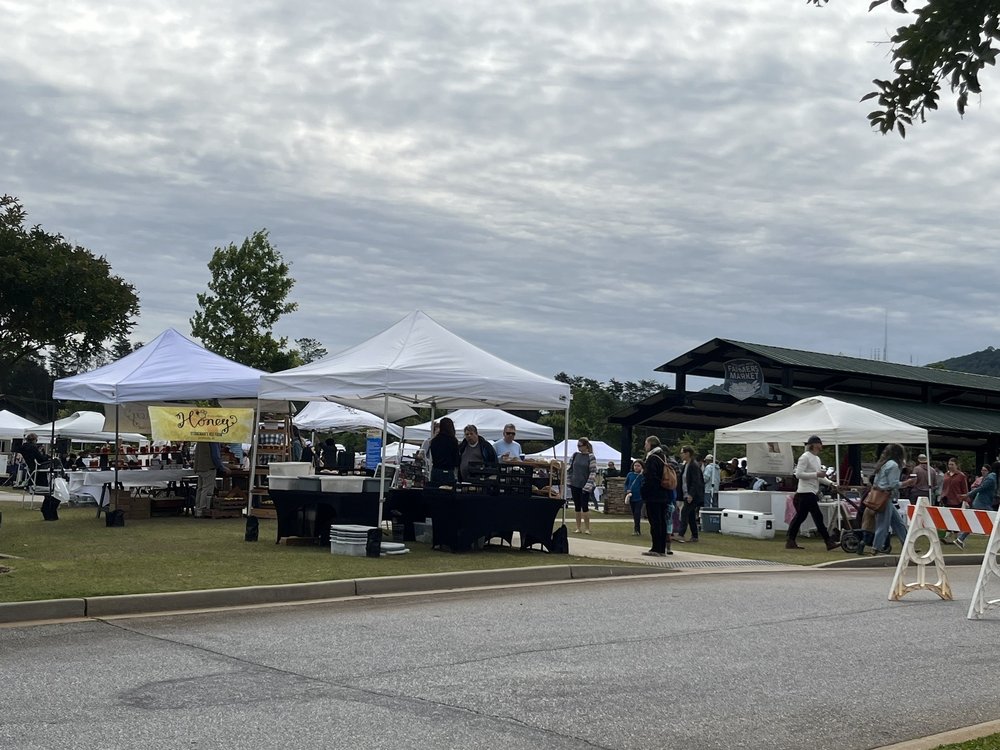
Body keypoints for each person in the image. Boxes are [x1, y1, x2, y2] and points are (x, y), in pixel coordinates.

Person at [786, 435, 839, 551]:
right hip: (805, 492)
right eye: (819, 443)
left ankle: (790, 540)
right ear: (814, 445)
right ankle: (828, 541)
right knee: (817, 516)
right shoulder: (805, 457)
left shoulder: (817, 459)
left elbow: (819, 477)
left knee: (800, 517)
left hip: (811, 492)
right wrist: (816, 474)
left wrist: (831, 483)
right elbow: (798, 474)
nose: (821, 445)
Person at [867, 444, 918, 555]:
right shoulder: (894, 465)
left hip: (881, 496)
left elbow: (876, 481)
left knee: (898, 523)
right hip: (886, 497)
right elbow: (893, 484)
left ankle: (908, 546)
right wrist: (907, 483)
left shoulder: (884, 464)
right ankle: (876, 547)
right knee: (883, 524)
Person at [640, 436, 674, 556]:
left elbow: (651, 478)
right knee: (662, 521)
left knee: (655, 522)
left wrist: (644, 491)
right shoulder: (663, 456)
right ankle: (661, 548)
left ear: (650, 444)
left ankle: (656, 548)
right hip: (664, 493)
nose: (645, 446)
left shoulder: (652, 458)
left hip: (654, 495)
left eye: (646, 443)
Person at [955, 462, 1000, 548]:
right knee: (995, 522)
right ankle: (993, 544)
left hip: (984, 503)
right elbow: (980, 488)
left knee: (975, 523)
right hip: (982, 503)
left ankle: (960, 539)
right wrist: (968, 495)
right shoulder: (991, 478)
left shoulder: (994, 477)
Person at [567, 438, 597, 534]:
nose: (578, 447)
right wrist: (569, 481)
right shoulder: (575, 455)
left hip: (585, 485)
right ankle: (578, 527)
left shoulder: (591, 457)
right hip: (574, 484)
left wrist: (588, 485)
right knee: (577, 506)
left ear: (585, 446)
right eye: (577, 445)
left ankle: (587, 528)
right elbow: (570, 469)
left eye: (580, 446)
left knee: (585, 506)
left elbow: (593, 472)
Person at [676, 446, 705, 543]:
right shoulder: (686, 465)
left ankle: (681, 534)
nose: (681, 455)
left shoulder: (693, 465)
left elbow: (695, 482)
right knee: (691, 515)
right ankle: (695, 535)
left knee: (684, 512)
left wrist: (691, 494)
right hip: (686, 494)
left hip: (692, 495)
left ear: (687, 453)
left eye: (682, 453)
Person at [193, 441, 230, 517]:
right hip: (208, 467)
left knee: (200, 489)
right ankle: (203, 509)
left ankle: (197, 510)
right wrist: (222, 467)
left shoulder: (200, 440)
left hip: (199, 467)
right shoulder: (213, 440)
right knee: (206, 489)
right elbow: (215, 456)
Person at [428, 417, 460, 486]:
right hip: (448, 471)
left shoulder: (434, 441)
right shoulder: (453, 441)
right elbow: (456, 460)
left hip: (436, 470)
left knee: (435, 489)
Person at [624, 459, 645, 535]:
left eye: (638, 466)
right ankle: (636, 528)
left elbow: (643, 485)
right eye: (635, 465)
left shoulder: (642, 476)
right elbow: (626, 484)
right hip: (631, 496)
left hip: (639, 497)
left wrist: (642, 475)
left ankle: (637, 529)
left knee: (637, 512)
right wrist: (627, 490)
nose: (636, 467)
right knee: (634, 513)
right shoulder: (630, 474)